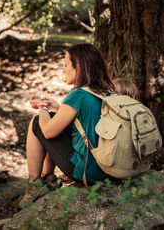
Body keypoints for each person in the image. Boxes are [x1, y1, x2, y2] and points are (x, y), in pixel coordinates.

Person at [21, 43, 115, 205]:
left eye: (65, 65)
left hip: (87, 172)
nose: (63, 69)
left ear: (77, 67)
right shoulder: (106, 92)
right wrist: (57, 108)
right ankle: (46, 179)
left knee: (38, 122)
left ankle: (34, 184)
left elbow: (49, 132)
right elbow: (83, 121)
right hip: (108, 168)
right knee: (52, 118)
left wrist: (42, 107)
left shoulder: (78, 95)